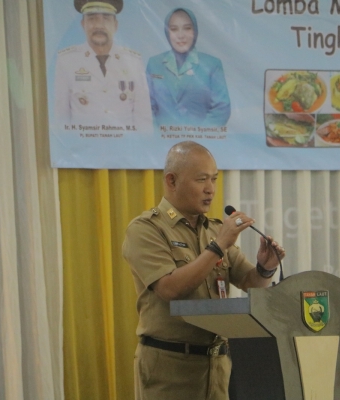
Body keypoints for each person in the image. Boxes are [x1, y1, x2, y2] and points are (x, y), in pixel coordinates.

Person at [122, 141, 285, 399]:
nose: (210, 189)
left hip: (218, 365)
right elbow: (170, 288)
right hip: (169, 366)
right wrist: (219, 245)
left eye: (214, 179)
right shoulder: (146, 229)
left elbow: (249, 282)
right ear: (172, 181)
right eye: (201, 180)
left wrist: (265, 268)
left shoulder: (213, 228)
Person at [54, 0, 152, 131]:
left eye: (105, 18)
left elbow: (143, 117)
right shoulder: (67, 61)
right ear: (83, 24)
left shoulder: (133, 61)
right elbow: (61, 118)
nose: (99, 25)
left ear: (115, 25)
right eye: (92, 18)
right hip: (83, 148)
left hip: (125, 148)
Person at [146, 8, 231, 128]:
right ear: (167, 32)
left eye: (187, 28)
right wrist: (158, 137)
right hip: (161, 142)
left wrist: (199, 136)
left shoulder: (212, 64)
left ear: (195, 30)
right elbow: (146, 107)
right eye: (174, 29)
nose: (181, 35)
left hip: (200, 143)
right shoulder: (154, 63)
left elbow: (221, 108)